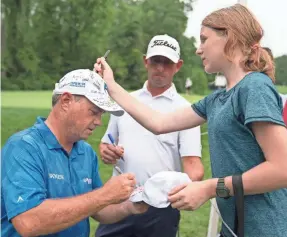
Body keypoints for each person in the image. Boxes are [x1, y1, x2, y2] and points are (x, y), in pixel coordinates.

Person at [94, 4, 287, 237]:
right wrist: (111, 85)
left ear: (230, 37)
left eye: (204, 39)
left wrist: (208, 188)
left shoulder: (255, 87)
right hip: (235, 229)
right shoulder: (217, 99)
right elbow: (159, 122)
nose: (198, 49)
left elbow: (282, 168)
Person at [1, 69, 149, 237]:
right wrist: (105, 195)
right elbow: (28, 222)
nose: (99, 122)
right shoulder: (23, 147)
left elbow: (99, 210)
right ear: (65, 101)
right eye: (93, 112)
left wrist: (131, 206)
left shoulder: (85, 152)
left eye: (102, 114)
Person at [95, 34, 203, 237]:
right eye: (155, 61)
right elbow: (106, 144)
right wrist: (108, 152)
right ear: (146, 61)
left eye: (167, 62)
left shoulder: (186, 110)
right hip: (119, 198)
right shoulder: (126, 100)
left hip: (159, 207)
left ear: (178, 66)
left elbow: (194, 169)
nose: (160, 68)